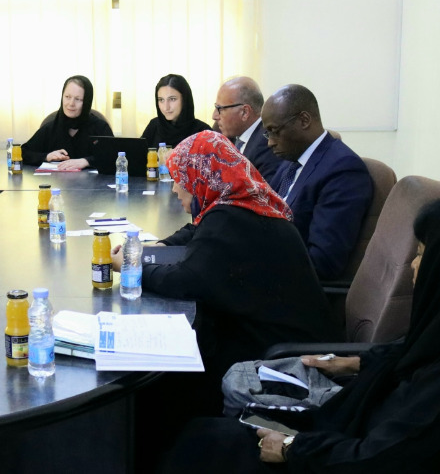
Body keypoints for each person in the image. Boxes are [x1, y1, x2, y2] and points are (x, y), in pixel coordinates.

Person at [158, 192, 440, 473]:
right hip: (344, 436)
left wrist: (292, 448)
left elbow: (387, 458)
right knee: (201, 429)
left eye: (423, 254)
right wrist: (353, 361)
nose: (414, 267)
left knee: (203, 443)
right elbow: (406, 354)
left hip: (336, 459)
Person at [114, 131, 337, 384]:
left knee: (167, 378)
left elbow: (186, 280)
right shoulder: (244, 201)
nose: (175, 189)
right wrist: (160, 245)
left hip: (278, 359)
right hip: (280, 335)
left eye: (180, 179)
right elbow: (198, 229)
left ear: (200, 177)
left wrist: (132, 268)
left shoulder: (229, 219)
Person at [262, 84, 372, 281]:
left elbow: (323, 262)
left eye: (275, 131)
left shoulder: (343, 170)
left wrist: (256, 264)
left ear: (304, 120)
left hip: (293, 289)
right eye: (267, 133)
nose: (270, 142)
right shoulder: (290, 161)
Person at [21, 75, 113, 170]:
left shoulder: (100, 127)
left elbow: (114, 156)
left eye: (78, 99)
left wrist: (87, 161)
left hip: (94, 184)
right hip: (56, 183)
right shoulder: (50, 128)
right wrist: (46, 156)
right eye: (67, 97)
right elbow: (22, 153)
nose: (71, 103)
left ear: (86, 102)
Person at [211, 76, 283, 180]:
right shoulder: (227, 138)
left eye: (220, 109)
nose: (214, 116)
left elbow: (263, 194)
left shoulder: (268, 145)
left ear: (245, 112)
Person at [140, 73, 211, 149]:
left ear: (185, 100)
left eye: (172, 99)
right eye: (161, 100)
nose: (166, 107)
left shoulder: (202, 132)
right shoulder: (154, 126)